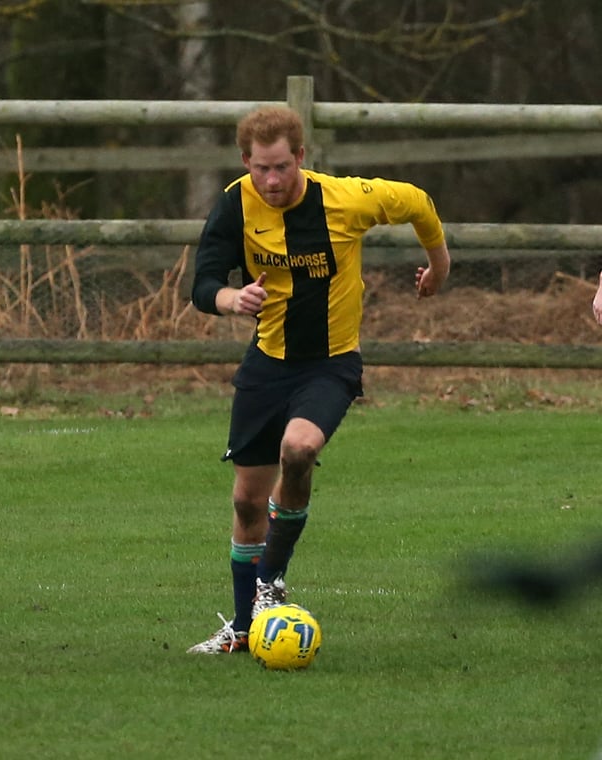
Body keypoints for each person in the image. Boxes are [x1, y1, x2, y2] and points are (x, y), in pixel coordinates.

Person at [187, 105, 451, 654]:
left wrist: (439, 267)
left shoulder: (345, 199)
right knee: (245, 503)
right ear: (245, 162)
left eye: (282, 166)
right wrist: (231, 297)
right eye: (261, 168)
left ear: (301, 157)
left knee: (300, 448)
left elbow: (419, 204)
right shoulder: (236, 203)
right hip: (266, 363)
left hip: (331, 363)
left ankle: (269, 583)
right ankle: (241, 629)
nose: (273, 180)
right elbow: (203, 281)